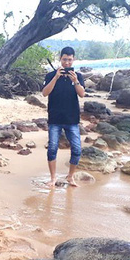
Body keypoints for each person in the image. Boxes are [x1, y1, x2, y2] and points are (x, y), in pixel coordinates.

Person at [41, 46, 85, 187]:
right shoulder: (50, 75)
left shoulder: (78, 76)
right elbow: (45, 93)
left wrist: (76, 81)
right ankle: (53, 178)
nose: (67, 63)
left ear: (73, 60)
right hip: (55, 118)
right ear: (60, 59)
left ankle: (70, 176)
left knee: (77, 149)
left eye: (70, 60)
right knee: (52, 148)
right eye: (65, 60)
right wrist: (56, 77)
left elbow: (82, 94)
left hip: (72, 119)